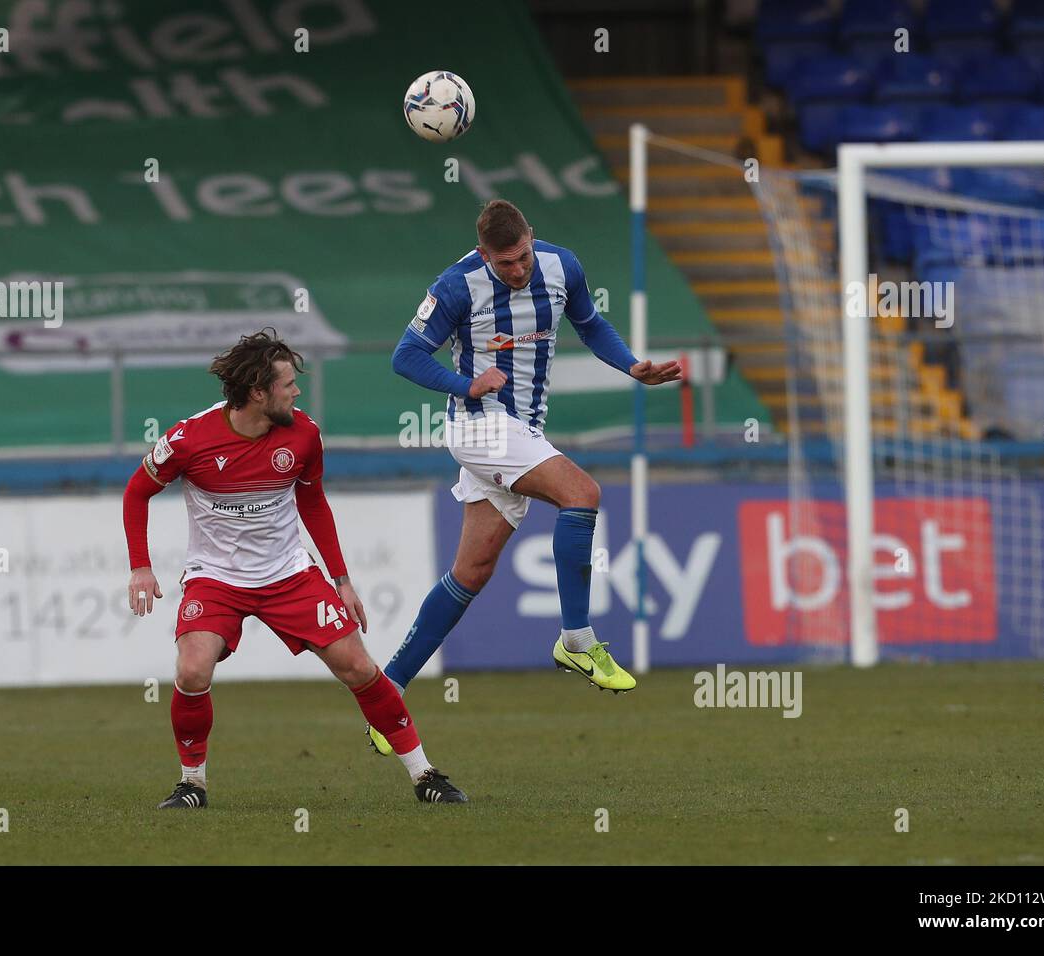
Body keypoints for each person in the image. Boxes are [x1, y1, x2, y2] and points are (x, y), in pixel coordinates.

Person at [369, 199, 682, 755]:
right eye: (504, 264)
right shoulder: (456, 285)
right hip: (479, 426)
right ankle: (576, 639)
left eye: (523, 258)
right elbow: (405, 356)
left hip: (524, 430)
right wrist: (464, 384)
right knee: (582, 493)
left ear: (532, 238)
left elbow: (590, 323)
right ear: (483, 254)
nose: (517, 271)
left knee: (471, 572)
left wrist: (631, 365)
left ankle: (387, 692)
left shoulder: (564, 267)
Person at [122, 329, 466, 804]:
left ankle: (425, 775)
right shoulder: (189, 439)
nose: (297, 391)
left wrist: (341, 580)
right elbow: (136, 490)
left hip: (289, 576)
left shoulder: (303, 434)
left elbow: (313, 502)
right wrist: (140, 566)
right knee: (192, 671)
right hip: (216, 580)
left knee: (360, 668)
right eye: (288, 383)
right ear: (258, 392)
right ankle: (192, 784)